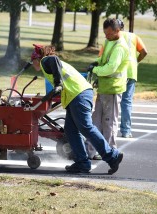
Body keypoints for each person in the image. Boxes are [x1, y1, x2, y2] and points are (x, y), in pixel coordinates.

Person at [30, 44, 123, 174]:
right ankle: (82, 163)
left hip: (78, 94)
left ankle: (112, 156)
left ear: (37, 58)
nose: (32, 64)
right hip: (77, 95)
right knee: (71, 130)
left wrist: (57, 84)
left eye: (32, 60)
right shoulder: (50, 66)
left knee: (86, 127)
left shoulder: (46, 60)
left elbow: (54, 60)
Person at [88, 18, 130, 155]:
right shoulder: (109, 41)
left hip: (113, 89)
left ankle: (110, 152)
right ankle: (91, 151)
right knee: (96, 121)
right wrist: (96, 62)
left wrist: (95, 70)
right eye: (105, 33)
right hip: (104, 88)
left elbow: (111, 68)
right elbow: (104, 58)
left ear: (118, 30)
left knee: (109, 122)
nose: (106, 36)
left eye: (109, 33)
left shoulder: (120, 47)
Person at [118, 19, 148, 138]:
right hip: (131, 71)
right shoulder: (133, 36)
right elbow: (144, 52)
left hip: (118, 71)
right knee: (126, 102)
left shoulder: (112, 37)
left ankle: (109, 129)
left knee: (113, 101)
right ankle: (126, 131)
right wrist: (136, 61)